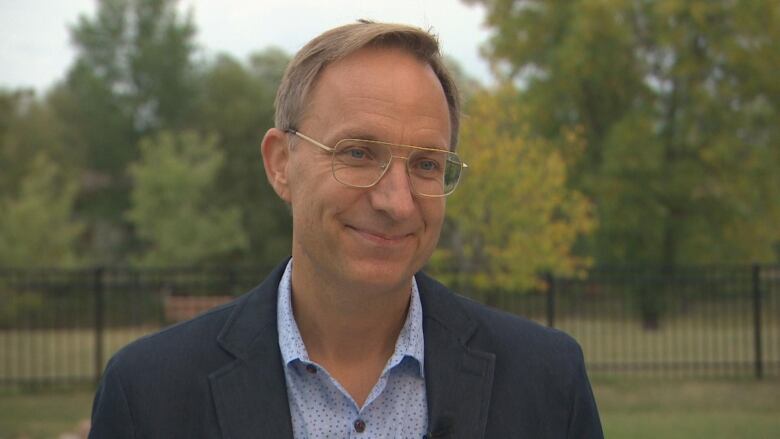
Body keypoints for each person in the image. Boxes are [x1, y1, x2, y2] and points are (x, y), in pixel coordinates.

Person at [89, 21, 603, 438]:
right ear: (280, 163)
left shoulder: (546, 382)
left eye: (426, 164)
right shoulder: (149, 394)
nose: (397, 202)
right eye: (357, 154)